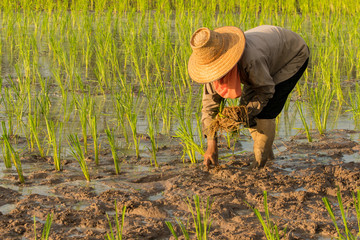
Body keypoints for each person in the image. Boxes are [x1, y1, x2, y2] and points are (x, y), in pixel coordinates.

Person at [188, 25, 309, 169]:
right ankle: (270, 158)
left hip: (292, 56)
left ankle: (259, 165)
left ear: (228, 62)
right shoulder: (212, 70)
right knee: (248, 110)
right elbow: (209, 107)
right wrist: (211, 145)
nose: (217, 75)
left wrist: (244, 112)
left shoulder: (251, 59)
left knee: (264, 112)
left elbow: (266, 90)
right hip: (265, 57)